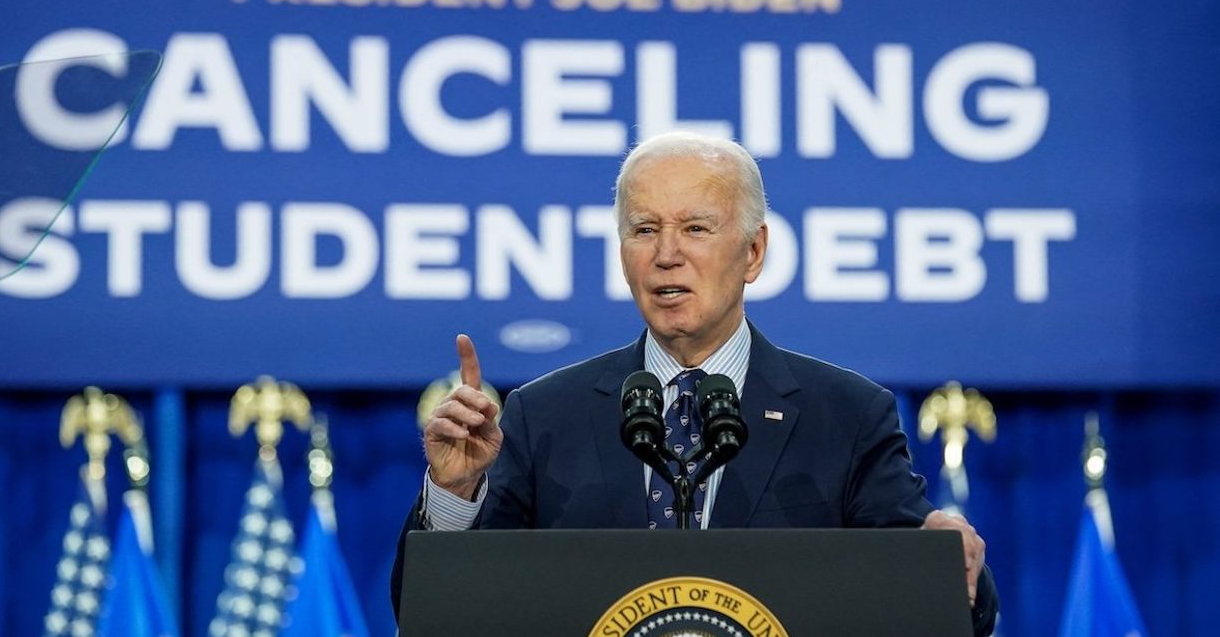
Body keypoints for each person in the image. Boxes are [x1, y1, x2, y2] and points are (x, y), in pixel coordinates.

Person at [392, 131, 998, 635]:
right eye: (644, 229)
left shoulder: (846, 415)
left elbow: (935, 601)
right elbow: (439, 616)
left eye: (696, 229)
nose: (666, 254)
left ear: (754, 252)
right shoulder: (543, 414)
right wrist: (454, 496)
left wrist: (948, 559)